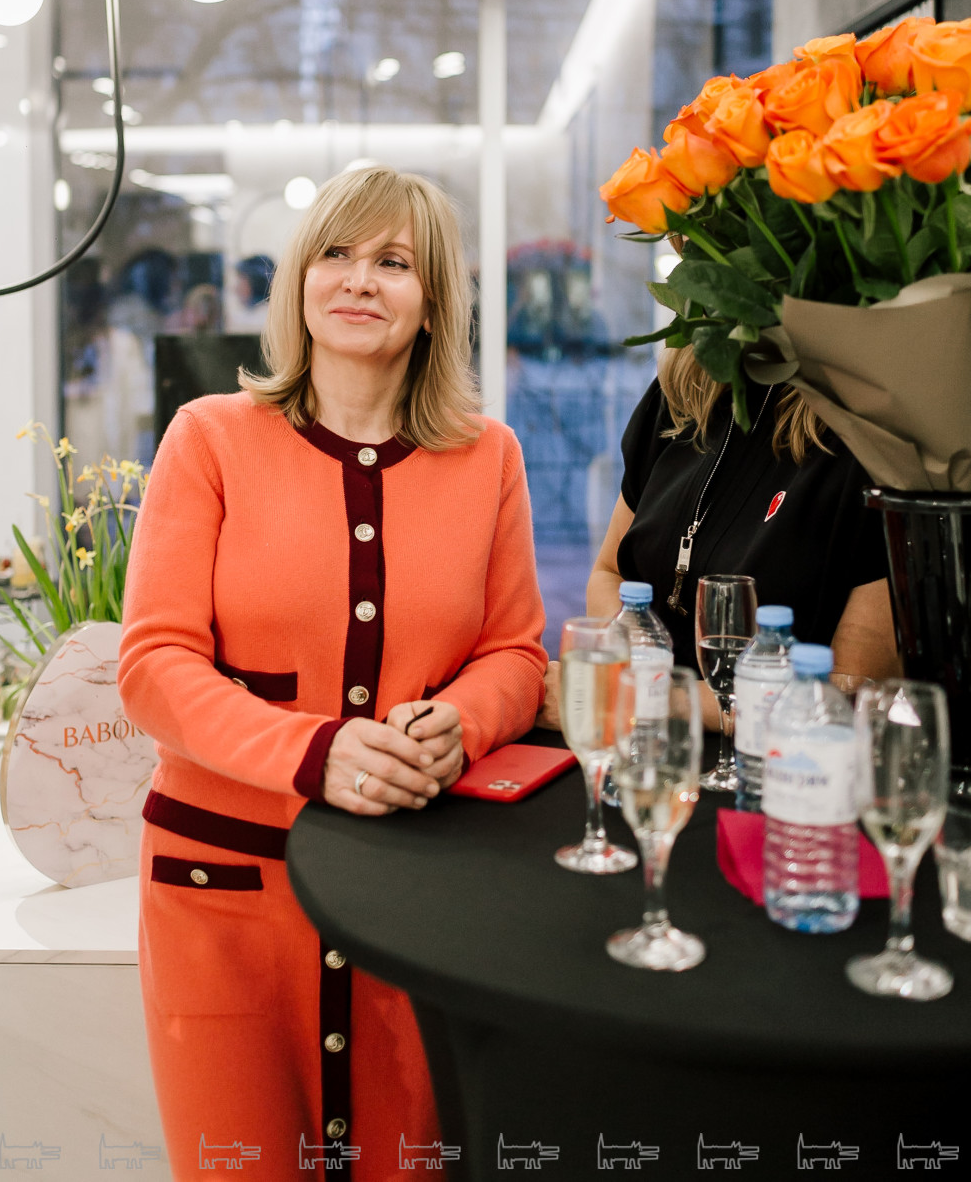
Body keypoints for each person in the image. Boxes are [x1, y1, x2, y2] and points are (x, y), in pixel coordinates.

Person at [119, 165, 547, 1181]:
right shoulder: (209, 438)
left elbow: (517, 653)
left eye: (393, 262)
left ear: (433, 301)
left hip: (415, 887)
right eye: (336, 255)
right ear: (300, 281)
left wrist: (464, 722)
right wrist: (313, 751)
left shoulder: (489, 457)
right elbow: (153, 663)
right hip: (222, 888)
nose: (358, 280)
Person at [542, 346, 899, 729]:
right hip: (638, 737)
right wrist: (629, 673)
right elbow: (610, 573)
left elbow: (848, 696)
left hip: (773, 759)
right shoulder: (681, 390)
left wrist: (646, 699)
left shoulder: (870, 434)